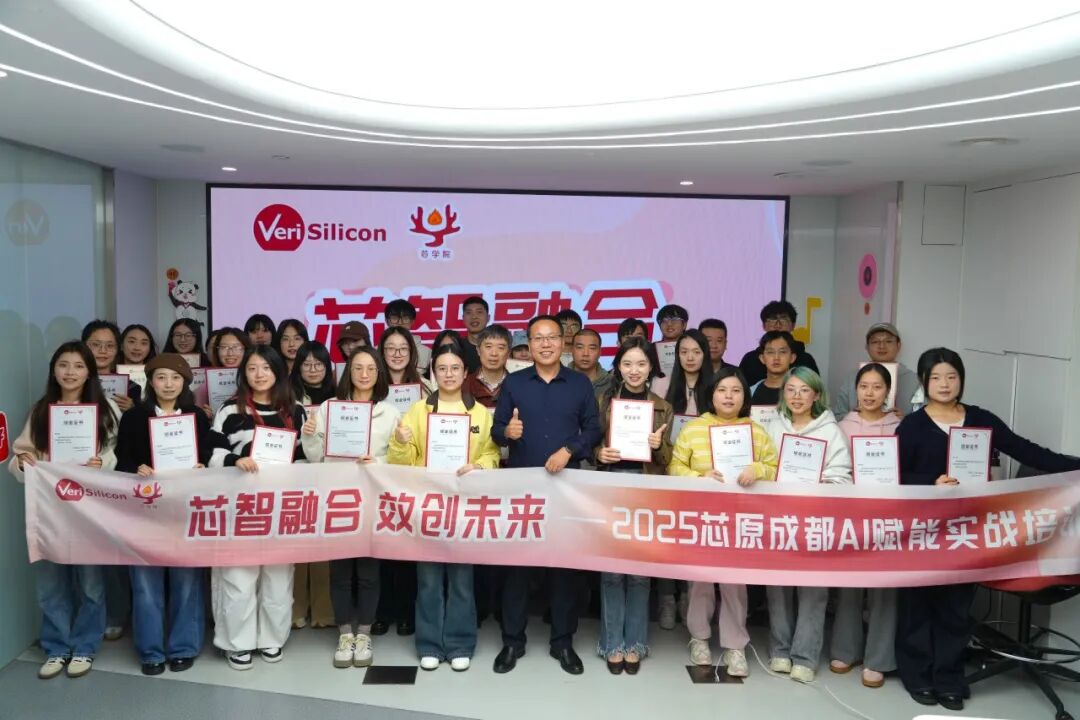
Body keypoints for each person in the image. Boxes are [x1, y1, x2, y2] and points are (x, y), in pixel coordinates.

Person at [895, 348, 1080, 712]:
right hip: (923, 529)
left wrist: (1075, 465)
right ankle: (917, 676)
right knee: (918, 605)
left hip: (968, 529)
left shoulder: (981, 419)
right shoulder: (912, 426)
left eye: (951, 377)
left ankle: (949, 678)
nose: (944, 384)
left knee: (956, 607)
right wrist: (931, 482)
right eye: (936, 378)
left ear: (961, 379)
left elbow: (1028, 451)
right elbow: (894, 475)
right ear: (923, 382)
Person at [492, 315, 603, 675]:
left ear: (562, 343)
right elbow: (496, 430)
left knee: (564, 569)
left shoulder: (579, 384)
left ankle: (563, 643)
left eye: (551, 337)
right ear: (529, 343)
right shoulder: (514, 382)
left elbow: (593, 429)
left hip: (566, 487)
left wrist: (570, 450)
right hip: (522, 488)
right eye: (537, 338)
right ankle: (512, 641)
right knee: (517, 569)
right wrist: (507, 431)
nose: (545, 344)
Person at [9, 341, 120, 679]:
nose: (70, 372)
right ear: (54, 370)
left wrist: (103, 463)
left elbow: (115, 455)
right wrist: (23, 462)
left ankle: (85, 646)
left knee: (90, 584)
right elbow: (20, 454)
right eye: (63, 365)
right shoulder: (41, 410)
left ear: (89, 373)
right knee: (50, 583)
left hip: (89, 510)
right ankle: (56, 647)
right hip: (49, 509)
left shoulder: (106, 410)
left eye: (78, 366)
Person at [389, 343, 500, 671]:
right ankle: (429, 644)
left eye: (455, 368)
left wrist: (479, 466)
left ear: (465, 373)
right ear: (433, 374)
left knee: (462, 578)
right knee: (428, 578)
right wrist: (400, 442)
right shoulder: (417, 411)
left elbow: (491, 453)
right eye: (442, 369)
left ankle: (460, 642)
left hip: (464, 505)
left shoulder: (480, 413)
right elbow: (402, 461)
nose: (448, 374)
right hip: (428, 504)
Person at [669, 368, 779, 677]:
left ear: (745, 396)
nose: (729, 396)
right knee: (700, 579)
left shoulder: (756, 431)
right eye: (722, 390)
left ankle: (735, 645)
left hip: (741, 518)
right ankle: (699, 638)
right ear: (712, 395)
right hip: (702, 517)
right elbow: (675, 466)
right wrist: (698, 476)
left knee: (734, 582)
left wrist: (758, 470)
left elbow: (775, 467)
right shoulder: (694, 429)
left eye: (736, 390)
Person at [207, 345, 306, 670]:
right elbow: (212, 453)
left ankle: (272, 638)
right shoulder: (229, 410)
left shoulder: (295, 410)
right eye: (252, 368)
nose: (259, 374)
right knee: (238, 577)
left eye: (266, 367)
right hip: (239, 506)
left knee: (278, 577)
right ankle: (237, 642)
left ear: (278, 371)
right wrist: (235, 460)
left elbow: (307, 458)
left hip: (282, 507)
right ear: (243, 373)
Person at [301, 346, 400, 669]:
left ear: (379, 373)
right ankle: (345, 634)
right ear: (348, 372)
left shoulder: (389, 412)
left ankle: (365, 634)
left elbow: (397, 459)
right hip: (339, 499)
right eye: (358, 368)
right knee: (341, 572)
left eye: (371, 368)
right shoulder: (330, 407)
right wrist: (309, 436)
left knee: (369, 573)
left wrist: (378, 460)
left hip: (373, 499)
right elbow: (316, 457)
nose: (364, 374)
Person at [113, 354, 211, 676]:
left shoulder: (196, 417)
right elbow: (121, 459)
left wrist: (202, 465)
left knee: (187, 581)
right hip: (144, 510)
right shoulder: (134, 418)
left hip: (185, 510)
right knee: (145, 582)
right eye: (161, 377)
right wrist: (135, 468)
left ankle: (183, 647)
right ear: (150, 381)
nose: (168, 384)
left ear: (185, 383)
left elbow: (209, 453)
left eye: (175, 378)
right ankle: (150, 650)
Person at [764, 367, 852, 684]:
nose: (797, 396)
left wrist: (818, 482)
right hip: (779, 519)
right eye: (791, 390)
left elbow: (843, 477)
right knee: (777, 588)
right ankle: (780, 649)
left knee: (813, 590)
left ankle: (805, 656)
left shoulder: (830, 430)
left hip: (816, 520)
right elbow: (763, 465)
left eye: (804, 390)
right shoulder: (773, 425)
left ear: (816, 394)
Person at [593, 337, 673, 675]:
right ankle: (612, 643)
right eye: (627, 364)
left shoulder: (662, 407)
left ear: (651, 367)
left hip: (645, 490)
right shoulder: (603, 401)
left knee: (639, 573)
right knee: (612, 571)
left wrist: (657, 445)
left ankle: (635, 644)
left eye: (641, 364)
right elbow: (590, 443)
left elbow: (667, 460)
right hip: (610, 487)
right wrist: (600, 453)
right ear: (618, 367)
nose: (634, 370)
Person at [831, 363, 901, 689]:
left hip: (888, 516)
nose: (869, 393)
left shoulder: (900, 426)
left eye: (877, 387)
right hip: (851, 515)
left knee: (884, 588)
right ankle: (845, 650)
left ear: (887, 391)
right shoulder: (842, 426)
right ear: (855, 390)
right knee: (850, 584)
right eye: (864, 386)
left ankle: (879, 658)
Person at [648, 330, 713, 629]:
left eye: (696, 352)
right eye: (683, 352)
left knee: (695, 539)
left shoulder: (715, 385)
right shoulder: (661, 384)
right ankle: (667, 598)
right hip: (666, 470)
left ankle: (690, 596)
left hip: (701, 475)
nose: (689, 357)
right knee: (667, 540)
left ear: (705, 355)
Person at [832, 322, 921, 417]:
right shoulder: (852, 377)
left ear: (898, 346)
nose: (882, 346)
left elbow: (925, 419)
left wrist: (906, 421)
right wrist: (852, 417)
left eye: (888, 341)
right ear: (867, 347)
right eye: (875, 342)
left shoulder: (914, 380)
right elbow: (837, 416)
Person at [738, 301, 819, 386]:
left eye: (783, 319)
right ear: (764, 326)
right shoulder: (750, 360)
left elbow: (816, 390)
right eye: (772, 319)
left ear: (793, 325)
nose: (778, 325)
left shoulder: (806, 360)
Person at [82, 320, 136, 413]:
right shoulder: (73, 382)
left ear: (118, 349)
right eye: (96, 344)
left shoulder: (132, 388)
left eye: (110, 345)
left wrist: (133, 410)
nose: (103, 351)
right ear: (83, 346)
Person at [464, 324, 512, 408]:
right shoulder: (465, 385)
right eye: (488, 347)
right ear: (478, 350)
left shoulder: (518, 385)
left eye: (500, 348)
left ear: (508, 353)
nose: (494, 353)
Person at [748, 331, 798, 406]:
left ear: (792, 358)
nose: (776, 358)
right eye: (770, 352)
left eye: (782, 352)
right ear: (762, 358)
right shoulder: (750, 393)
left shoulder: (803, 392)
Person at [380, 326, 433, 395]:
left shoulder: (425, 386)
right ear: (382, 352)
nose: (397, 354)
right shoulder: (373, 385)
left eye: (403, 348)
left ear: (411, 352)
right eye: (391, 348)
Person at [384, 298, 431, 372]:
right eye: (394, 318)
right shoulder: (377, 351)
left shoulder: (427, 353)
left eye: (405, 318)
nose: (400, 323)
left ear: (412, 321)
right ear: (386, 321)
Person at [290, 342, 336, 408]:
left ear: (327, 366)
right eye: (307, 364)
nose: (313, 370)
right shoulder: (288, 394)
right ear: (298, 366)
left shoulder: (337, 394)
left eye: (318, 364)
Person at [571, 328, 613, 397]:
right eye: (580, 347)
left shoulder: (612, 384)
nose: (585, 354)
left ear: (600, 352)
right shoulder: (558, 380)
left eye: (592, 348)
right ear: (572, 350)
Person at [459, 296, 487, 373]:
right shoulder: (457, 347)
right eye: (469, 313)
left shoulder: (498, 348)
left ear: (488, 317)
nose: (474, 317)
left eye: (479, 312)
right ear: (463, 318)